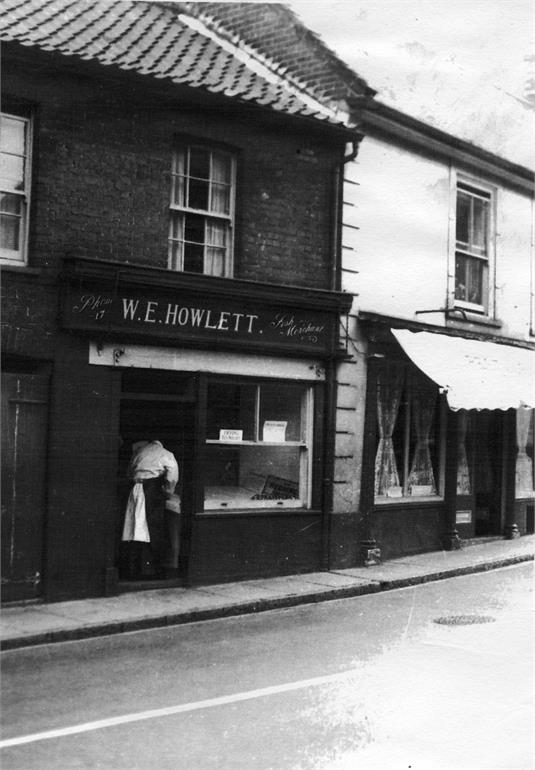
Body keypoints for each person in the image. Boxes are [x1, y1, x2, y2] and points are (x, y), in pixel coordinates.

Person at [121, 439, 179, 579]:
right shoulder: (166, 454)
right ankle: (150, 570)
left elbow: (129, 472)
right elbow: (172, 478)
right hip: (152, 491)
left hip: (135, 489)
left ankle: (133, 568)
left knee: (134, 527)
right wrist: (168, 492)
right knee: (152, 528)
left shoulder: (139, 452)